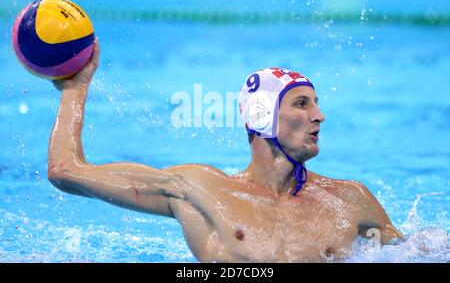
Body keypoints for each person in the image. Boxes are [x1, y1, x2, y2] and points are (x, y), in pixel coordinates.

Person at [48, 39, 402, 262]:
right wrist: (75, 88)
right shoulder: (199, 190)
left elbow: (417, 253)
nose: (319, 116)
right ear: (261, 116)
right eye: (302, 104)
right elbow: (66, 171)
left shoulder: (350, 200)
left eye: (317, 104)